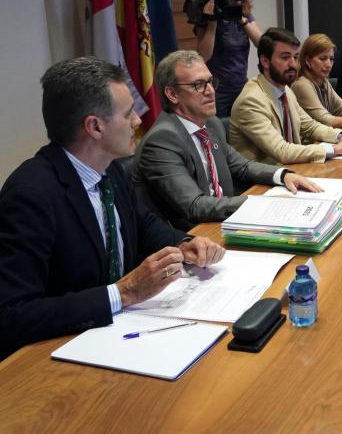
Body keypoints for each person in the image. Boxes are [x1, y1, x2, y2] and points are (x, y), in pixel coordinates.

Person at [0, 57, 224, 360]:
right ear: (94, 127)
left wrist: (184, 244)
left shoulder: (109, 169)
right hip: (62, 352)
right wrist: (125, 292)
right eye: (128, 113)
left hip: (124, 334)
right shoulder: (30, 195)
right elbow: (13, 314)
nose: (138, 121)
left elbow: (141, 222)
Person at [135, 50, 321, 230]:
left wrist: (283, 175)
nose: (210, 91)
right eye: (198, 85)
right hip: (192, 236)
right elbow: (194, 205)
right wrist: (262, 203)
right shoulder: (163, 140)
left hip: (224, 221)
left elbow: (241, 166)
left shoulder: (211, 124)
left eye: (210, 82)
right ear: (172, 94)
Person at [229, 28, 342, 164]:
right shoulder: (251, 100)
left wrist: (339, 135)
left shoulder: (285, 90)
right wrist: (333, 149)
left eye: (295, 57)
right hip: (261, 181)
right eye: (285, 57)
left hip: (292, 171)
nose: (293, 64)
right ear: (265, 61)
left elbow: (310, 126)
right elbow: (281, 150)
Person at [195, 0, 263, 117]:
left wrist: (242, 20)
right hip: (218, 90)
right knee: (221, 131)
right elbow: (203, 56)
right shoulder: (208, 18)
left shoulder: (245, 16)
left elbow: (262, 44)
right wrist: (212, 22)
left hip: (241, 86)